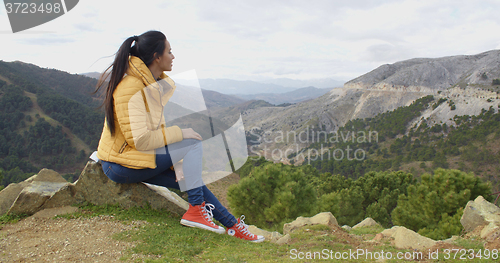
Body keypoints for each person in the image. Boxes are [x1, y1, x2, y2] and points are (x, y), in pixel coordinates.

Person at [94, 30, 264, 243]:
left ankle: (233, 226)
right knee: (192, 141)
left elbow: (155, 131)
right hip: (120, 163)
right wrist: (180, 135)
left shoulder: (148, 84)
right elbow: (141, 140)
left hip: (133, 158)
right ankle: (196, 212)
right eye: (170, 52)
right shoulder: (132, 87)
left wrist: (177, 162)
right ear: (157, 56)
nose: (173, 57)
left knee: (192, 181)